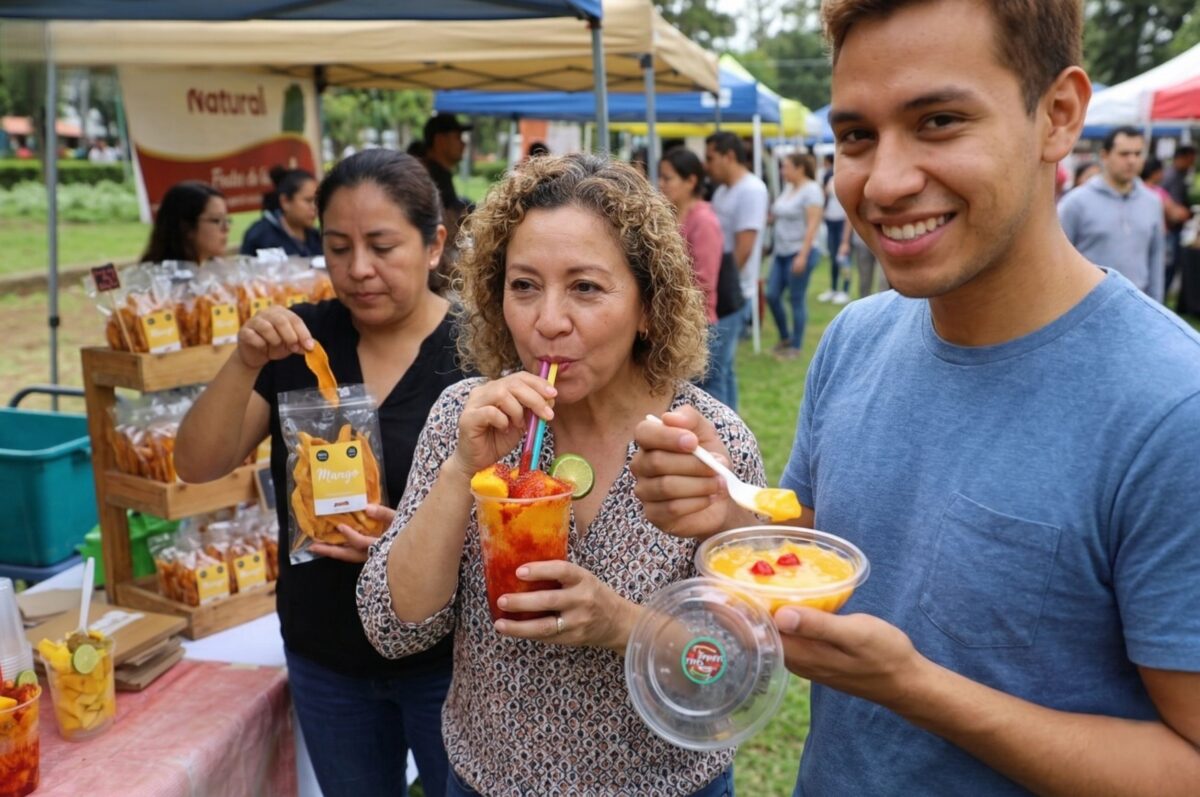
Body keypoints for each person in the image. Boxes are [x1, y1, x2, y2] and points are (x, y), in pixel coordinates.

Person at [632, 1, 1200, 795]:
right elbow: (816, 543)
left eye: (938, 120)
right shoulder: (857, 337)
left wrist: (918, 689)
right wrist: (725, 508)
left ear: (1058, 116)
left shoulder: (1174, 409)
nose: (885, 182)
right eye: (857, 135)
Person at [356, 153, 763, 796]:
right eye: (523, 286)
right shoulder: (469, 421)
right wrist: (464, 468)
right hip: (488, 780)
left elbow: (735, 670)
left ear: (649, 307)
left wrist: (621, 625)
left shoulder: (703, 447)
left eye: (586, 287)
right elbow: (395, 627)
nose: (547, 321)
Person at [175, 150, 466, 797]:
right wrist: (245, 360)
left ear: (435, 243)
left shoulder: (478, 355)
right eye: (338, 247)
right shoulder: (298, 341)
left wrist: (416, 536)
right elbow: (196, 462)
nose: (358, 269)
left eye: (382, 245)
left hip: (447, 659)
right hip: (326, 653)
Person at [1059, 126, 1164, 302]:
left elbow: (1155, 258)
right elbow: (1058, 260)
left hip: (1138, 305)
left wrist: (1157, 304)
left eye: (1138, 154)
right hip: (1088, 306)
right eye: (1124, 154)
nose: (1132, 160)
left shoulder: (1152, 202)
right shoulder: (1075, 202)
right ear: (1105, 156)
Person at [704, 131, 768, 410]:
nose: (708, 165)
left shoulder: (752, 189)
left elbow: (745, 246)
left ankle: (723, 433)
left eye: (711, 158)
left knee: (717, 370)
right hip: (724, 288)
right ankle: (731, 427)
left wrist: (722, 288)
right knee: (724, 368)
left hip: (733, 291)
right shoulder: (722, 190)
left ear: (729, 156)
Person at [659, 146, 724, 388]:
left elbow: (704, 281)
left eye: (668, 178)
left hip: (699, 323)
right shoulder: (672, 216)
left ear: (691, 181)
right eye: (661, 177)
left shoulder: (704, 221)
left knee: (709, 395)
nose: (661, 184)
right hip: (676, 320)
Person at [766, 152, 824, 358]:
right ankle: (785, 337)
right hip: (781, 252)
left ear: (799, 168)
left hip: (799, 252)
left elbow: (812, 225)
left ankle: (796, 346)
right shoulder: (789, 189)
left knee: (796, 299)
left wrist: (802, 255)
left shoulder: (812, 191)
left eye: (786, 167)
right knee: (771, 295)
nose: (783, 171)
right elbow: (780, 215)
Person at [240, 169, 323, 258]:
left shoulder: (316, 236)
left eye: (317, 201)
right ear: (285, 202)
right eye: (308, 200)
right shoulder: (259, 236)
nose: (314, 207)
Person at [140, 181, 229, 264]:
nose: (226, 228)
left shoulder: (216, 270)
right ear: (186, 227)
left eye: (227, 220)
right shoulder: (159, 277)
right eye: (217, 220)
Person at [1161, 144, 1196, 292]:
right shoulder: (1171, 175)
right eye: (1190, 159)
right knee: (1168, 266)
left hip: (1174, 228)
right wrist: (1182, 213)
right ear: (1182, 158)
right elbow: (1170, 206)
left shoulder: (1182, 175)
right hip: (1168, 229)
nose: (1192, 163)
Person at [817, 155, 851, 304]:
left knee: (844, 258)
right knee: (833, 258)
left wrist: (845, 238)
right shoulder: (831, 179)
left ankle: (845, 290)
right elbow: (825, 197)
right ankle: (833, 288)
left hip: (843, 223)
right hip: (831, 222)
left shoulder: (848, 179)